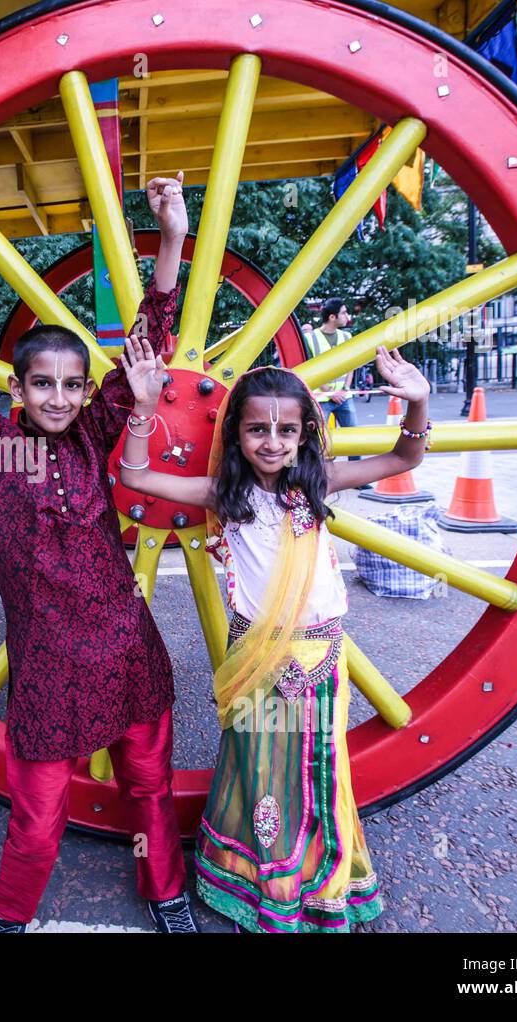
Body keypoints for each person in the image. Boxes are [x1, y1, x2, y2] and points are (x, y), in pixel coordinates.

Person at [0, 164, 197, 934]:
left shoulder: (97, 432)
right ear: (17, 387)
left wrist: (171, 238)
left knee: (150, 789)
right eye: (45, 385)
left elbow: (148, 339)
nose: (62, 399)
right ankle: (11, 919)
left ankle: (166, 893)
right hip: (44, 667)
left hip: (128, 651)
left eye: (74, 385)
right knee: (37, 818)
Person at [117, 341, 432, 932]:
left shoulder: (320, 484)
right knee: (257, 768)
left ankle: (320, 882)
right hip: (256, 655)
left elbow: (402, 459)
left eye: (288, 430)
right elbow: (134, 475)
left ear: (306, 434)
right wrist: (142, 406)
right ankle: (261, 880)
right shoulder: (224, 498)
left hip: (319, 655)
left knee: (319, 766)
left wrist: (418, 402)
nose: (273, 442)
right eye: (258, 428)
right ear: (235, 433)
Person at [303, 299, 368, 482]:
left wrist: (345, 388)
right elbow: (310, 368)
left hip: (343, 396)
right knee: (316, 439)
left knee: (353, 436)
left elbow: (351, 364)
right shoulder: (310, 338)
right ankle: (316, 477)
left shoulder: (346, 337)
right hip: (321, 397)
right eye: (344, 312)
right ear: (332, 317)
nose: (347, 316)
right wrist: (331, 392)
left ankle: (357, 478)